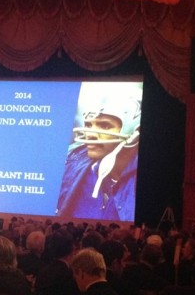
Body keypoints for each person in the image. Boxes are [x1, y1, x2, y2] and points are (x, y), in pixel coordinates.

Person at [57, 82, 143, 222]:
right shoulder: (69, 161)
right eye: (88, 124)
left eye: (104, 125)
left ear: (134, 131)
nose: (90, 134)